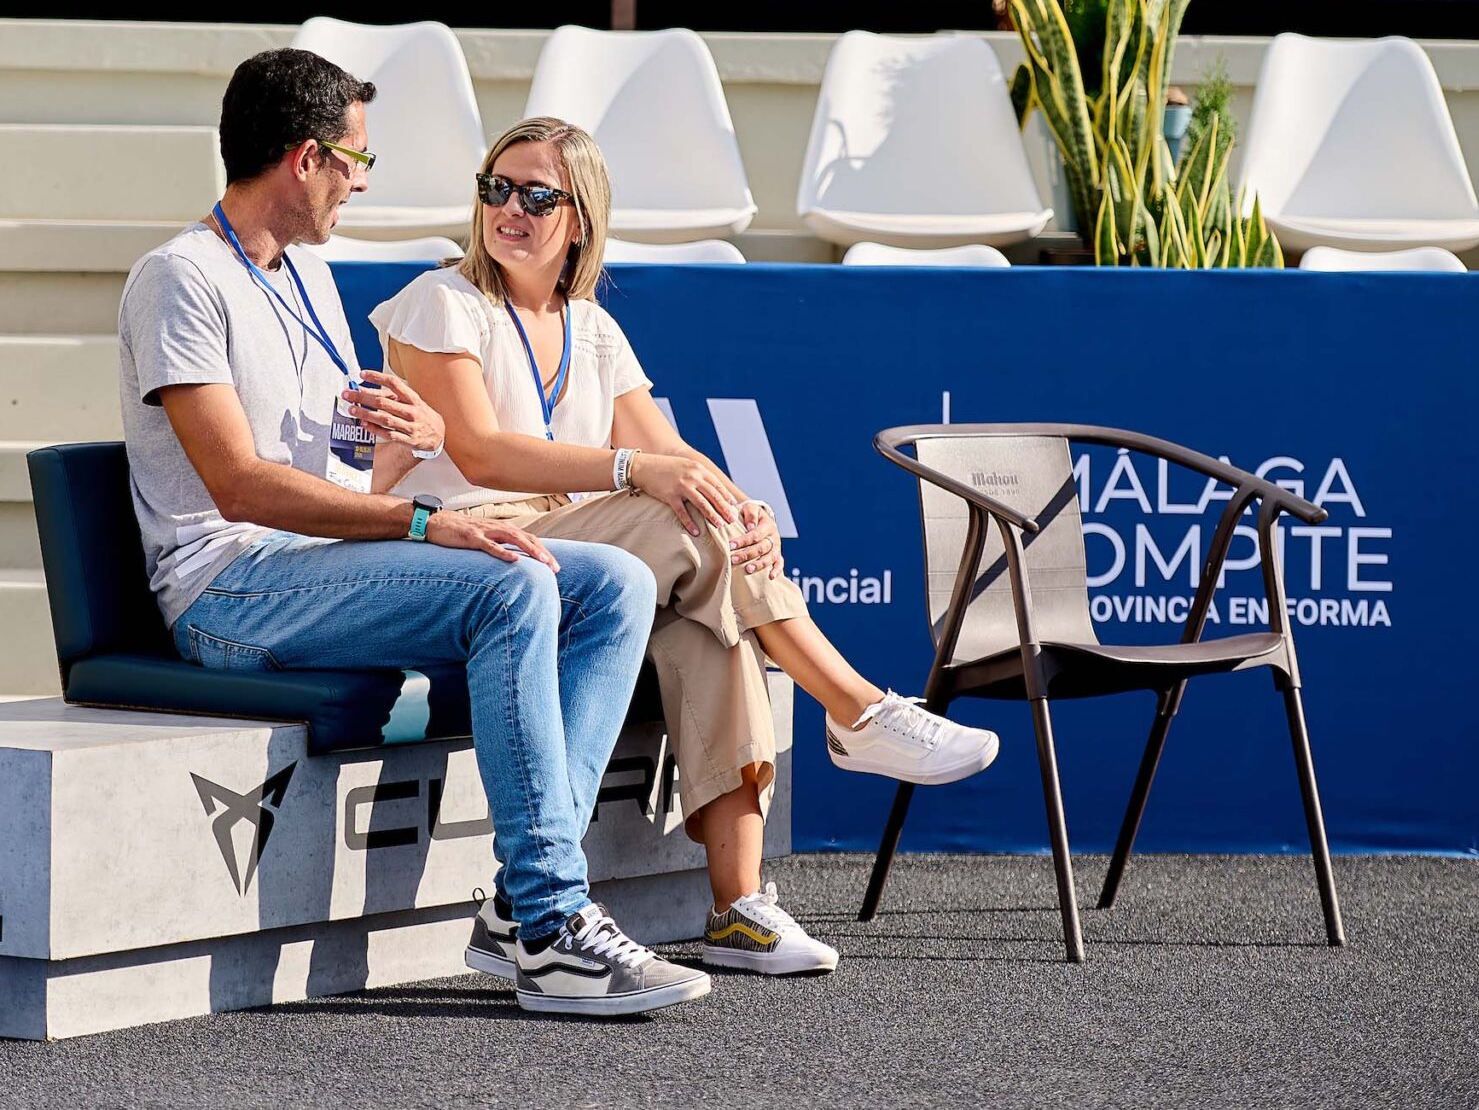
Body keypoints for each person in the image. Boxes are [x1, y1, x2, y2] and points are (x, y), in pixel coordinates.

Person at [119, 52, 708, 1017]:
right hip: (229, 587)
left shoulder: (308, 275)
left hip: (322, 565)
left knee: (614, 583)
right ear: (307, 159)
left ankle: (521, 904)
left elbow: (339, 473)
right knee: (510, 582)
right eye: (356, 160)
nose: (360, 181)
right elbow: (241, 485)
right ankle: (553, 922)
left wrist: (417, 446)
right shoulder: (180, 278)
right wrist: (429, 521)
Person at [367, 117, 1001, 976]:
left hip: (574, 554)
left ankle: (737, 906)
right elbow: (480, 453)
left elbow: (671, 452)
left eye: (537, 195)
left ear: (580, 218)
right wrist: (639, 472)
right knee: (681, 519)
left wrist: (746, 509)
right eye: (496, 188)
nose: (509, 208)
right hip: (471, 541)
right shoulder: (440, 299)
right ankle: (854, 709)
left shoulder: (590, 325)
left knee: (711, 624)